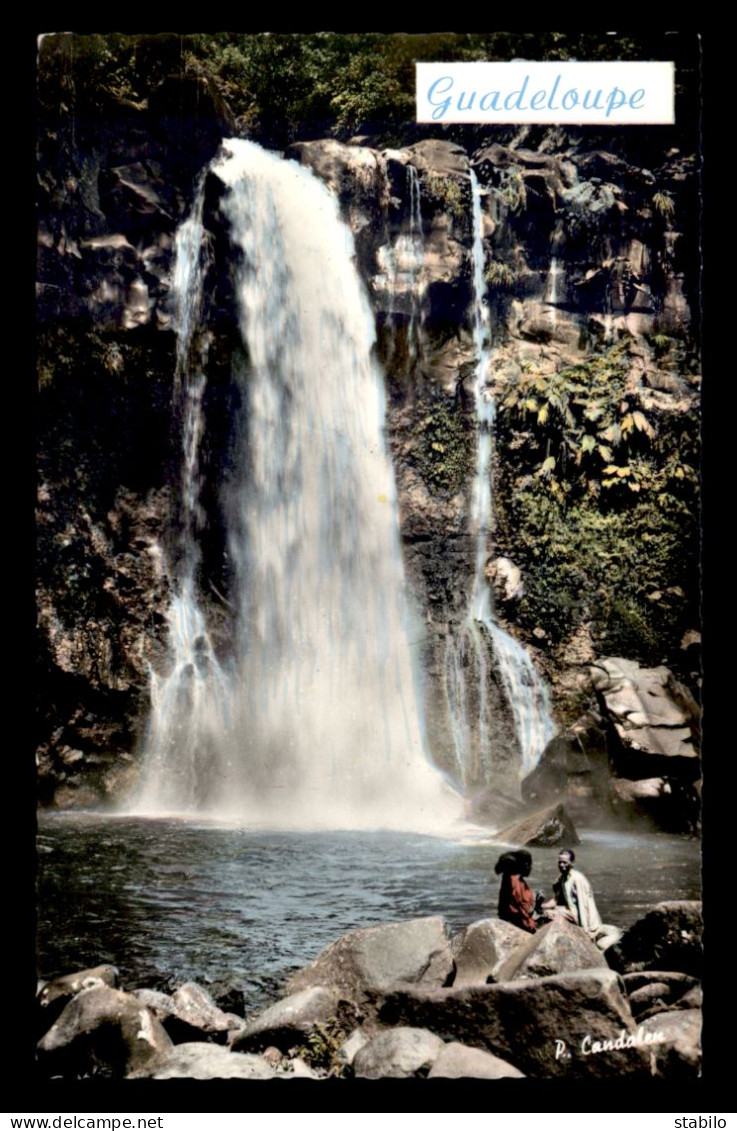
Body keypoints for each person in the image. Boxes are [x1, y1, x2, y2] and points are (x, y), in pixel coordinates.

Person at [545, 848, 622, 952]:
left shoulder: (577, 879)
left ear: (571, 863)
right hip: (571, 911)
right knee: (549, 912)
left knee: (552, 914)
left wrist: (584, 930)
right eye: (559, 862)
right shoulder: (562, 878)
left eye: (564, 862)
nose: (561, 865)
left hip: (581, 916)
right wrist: (540, 905)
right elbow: (556, 900)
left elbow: (583, 904)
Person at [494, 849, 542, 934]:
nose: (531, 868)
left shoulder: (510, 879)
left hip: (511, 920)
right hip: (519, 924)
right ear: (526, 865)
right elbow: (523, 914)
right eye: (530, 865)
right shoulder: (515, 883)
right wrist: (537, 904)